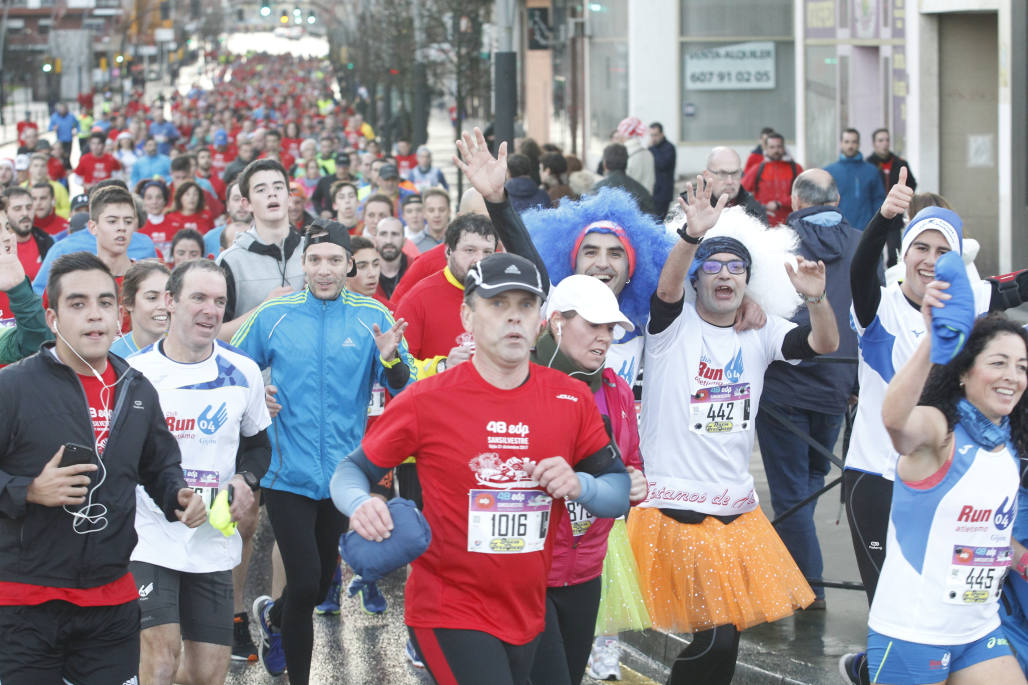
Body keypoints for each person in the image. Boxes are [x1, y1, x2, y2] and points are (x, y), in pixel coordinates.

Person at [331, 252, 630, 685]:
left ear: (541, 319)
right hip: (448, 605)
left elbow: (618, 490)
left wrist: (580, 484)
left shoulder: (570, 398)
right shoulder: (426, 400)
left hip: (529, 605)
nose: (514, 318)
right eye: (498, 304)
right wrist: (360, 502)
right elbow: (350, 470)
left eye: (525, 306)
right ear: (467, 317)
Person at [629, 175, 839, 684]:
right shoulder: (671, 325)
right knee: (716, 638)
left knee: (725, 641)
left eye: (736, 267)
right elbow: (665, 288)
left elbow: (825, 344)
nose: (725, 275)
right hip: (673, 510)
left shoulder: (760, 328)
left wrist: (815, 299)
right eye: (715, 267)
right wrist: (691, 238)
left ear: (749, 279)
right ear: (699, 277)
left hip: (735, 514)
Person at [837, 170, 1028, 683]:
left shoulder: (966, 303)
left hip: (948, 487)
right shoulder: (881, 304)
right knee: (896, 609)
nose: (929, 258)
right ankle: (874, 667)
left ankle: (875, 668)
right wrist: (881, 217)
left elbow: (1017, 288)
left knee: (949, 618)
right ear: (904, 252)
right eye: (919, 246)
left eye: (943, 249)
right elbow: (858, 271)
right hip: (879, 480)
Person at [0, 252, 206, 685]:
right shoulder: (12, 386)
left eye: (105, 303)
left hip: (109, 601)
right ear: (53, 317)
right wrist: (27, 489)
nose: (94, 315)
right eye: (78, 304)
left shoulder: (136, 387)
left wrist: (177, 495)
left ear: (120, 316)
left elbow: (159, 465)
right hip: (25, 602)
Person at [232, 220, 416, 684]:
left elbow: (403, 384)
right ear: (303, 264)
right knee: (306, 576)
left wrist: (391, 357)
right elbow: (235, 370)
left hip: (342, 475)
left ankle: (273, 620)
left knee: (312, 590)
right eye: (315, 260)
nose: (324, 269)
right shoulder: (275, 313)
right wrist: (260, 394)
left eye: (335, 260)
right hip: (285, 469)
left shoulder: (370, 314)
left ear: (349, 263)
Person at [867, 304, 1028, 685]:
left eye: (1022, 366)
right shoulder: (941, 431)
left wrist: (1022, 561)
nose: (1013, 377)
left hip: (978, 632)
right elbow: (896, 421)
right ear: (962, 371)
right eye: (999, 363)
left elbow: (989, 534)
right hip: (914, 633)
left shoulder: (1004, 444)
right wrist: (931, 346)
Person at [129, 259, 272, 685]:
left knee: (207, 673)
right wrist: (170, 498)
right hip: (149, 536)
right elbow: (120, 459)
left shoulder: (242, 372)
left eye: (220, 301)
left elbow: (258, 446)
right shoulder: (135, 375)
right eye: (199, 298)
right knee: (159, 661)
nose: (211, 310)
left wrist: (244, 481)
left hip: (212, 535)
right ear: (170, 302)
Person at [528, 274, 648, 685]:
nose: (605, 338)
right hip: (527, 569)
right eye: (593, 325)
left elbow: (631, 462)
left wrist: (634, 481)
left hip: (586, 569)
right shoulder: (518, 379)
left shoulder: (616, 389)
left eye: (610, 328)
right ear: (557, 321)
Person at [755, 169, 861, 610]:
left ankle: (807, 589)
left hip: (785, 381)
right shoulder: (860, 243)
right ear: (836, 201)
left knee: (791, 493)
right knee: (809, 482)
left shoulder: (779, 242)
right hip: (839, 380)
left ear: (797, 202)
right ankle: (798, 574)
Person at [216, 160, 306, 342]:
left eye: (278, 187)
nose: (272, 193)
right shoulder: (230, 261)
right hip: (253, 369)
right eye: (261, 189)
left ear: (289, 198)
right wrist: (264, 310)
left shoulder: (314, 252)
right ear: (246, 203)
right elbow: (213, 335)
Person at [0, 195, 52, 360]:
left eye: (7, 227)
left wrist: (18, 290)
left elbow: (39, 346)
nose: (8, 236)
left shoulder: (16, 289)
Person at [866, 128, 917, 267]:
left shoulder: (900, 163)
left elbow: (912, 184)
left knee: (895, 252)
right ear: (874, 143)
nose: (884, 143)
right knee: (875, 253)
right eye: (881, 140)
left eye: (887, 140)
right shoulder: (868, 165)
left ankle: (894, 278)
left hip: (895, 216)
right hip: (874, 215)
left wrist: (904, 197)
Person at [824, 128, 885, 231]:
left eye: (854, 142)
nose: (850, 146)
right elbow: (823, 203)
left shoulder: (871, 171)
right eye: (846, 142)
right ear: (841, 143)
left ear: (859, 144)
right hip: (837, 230)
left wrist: (876, 226)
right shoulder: (829, 172)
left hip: (864, 231)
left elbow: (878, 200)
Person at [110, 260, 170, 358]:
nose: (163, 305)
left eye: (168, 297)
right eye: (152, 298)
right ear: (128, 302)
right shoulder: (111, 356)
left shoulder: (190, 351)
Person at [740, 132, 801, 226]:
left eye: (779, 146)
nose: (776, 150)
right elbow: (741, 191)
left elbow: (803, 195)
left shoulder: (796, 169)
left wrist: (780, 203)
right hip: (763, 224)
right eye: (772, 147)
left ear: (783, 147)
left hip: (790, 223)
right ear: (765, 148)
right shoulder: (757, 169)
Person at [698, 147, 767, 224]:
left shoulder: (758, 206)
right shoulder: (689, 206)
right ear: (707, 175)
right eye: (722, 174)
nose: (729, 181)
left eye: (735, 173)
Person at [595, 143, 655, 216]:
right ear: (626, 163)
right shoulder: (642, 191)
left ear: (604, 164)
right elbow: (652, 219)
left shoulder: (597, 189)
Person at [375, 217, 414, 300]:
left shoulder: (416, 268)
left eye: (395, 234)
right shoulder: (363, 270)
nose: (389, 241)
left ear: (404, 241)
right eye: (383, 234)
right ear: (375, 240)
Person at [615, 116, 655, 196]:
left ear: (624, 134)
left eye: (619, 132)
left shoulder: (624, 153)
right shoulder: (648, 153)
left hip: (630, 202)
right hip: (647, 201)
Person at [649, 121, 677, 218]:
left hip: (663, 193)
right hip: (653, 191)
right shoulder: (652, 149)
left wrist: (652, 149)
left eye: (655, 135)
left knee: (659, 220)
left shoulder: (669, 148)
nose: (653, 138)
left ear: (662, 134)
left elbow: (662, 164)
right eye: (651, 135)